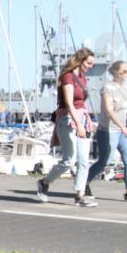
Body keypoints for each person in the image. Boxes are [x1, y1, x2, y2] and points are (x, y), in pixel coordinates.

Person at [36, 48, 97, 207]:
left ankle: (79, 195)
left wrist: (84, 123)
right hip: (67, 119)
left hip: (82, 119)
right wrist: (77, 124)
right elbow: (69, 103)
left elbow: (80, 102)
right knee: (69, 160)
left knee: (84, 161)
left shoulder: (83, 78)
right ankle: (44, 182)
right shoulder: (67, 77)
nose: (91, 66)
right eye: (89, 63)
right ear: (80, 60)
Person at [86, 61, 127, 203]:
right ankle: (85, 183)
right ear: (114, 71)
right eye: (124, 71)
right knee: (104, 161)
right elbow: (108, 110)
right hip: (108, 130)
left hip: (126, 131)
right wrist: (122, 127)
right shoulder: (107, 88)